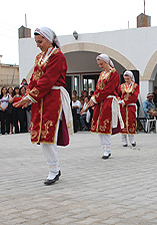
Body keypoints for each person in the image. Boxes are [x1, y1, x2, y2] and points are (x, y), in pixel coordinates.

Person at [13, 27, 73, 185]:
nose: (38, 45)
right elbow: (34, 78)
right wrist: (27, 95)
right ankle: (53, 168)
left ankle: (54, 169)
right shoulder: (40, 57)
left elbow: (48, 78)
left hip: (52, 97)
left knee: (48, 133)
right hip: (40, 98)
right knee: (41, 134)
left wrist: (31, 97)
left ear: (49, 39)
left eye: (40, 41)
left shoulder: (57, 56)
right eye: (36, 42)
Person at [87, 53, 123, 159]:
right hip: (100, 101)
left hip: (108, 101)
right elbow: (98, 88)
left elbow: (109, 89)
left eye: (101, 64)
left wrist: (96, 98)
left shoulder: (114, 73)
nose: (100, 66)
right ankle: (103, 147)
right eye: (99, 64)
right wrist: (93, 98)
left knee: (105, 125)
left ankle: (108, 149)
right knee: (99, 126)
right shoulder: (102, 74)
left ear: (107, 62)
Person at [118, 71, 139, 147]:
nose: (126, 80)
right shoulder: (122, 86)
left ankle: (132, 139)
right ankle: (124, 140)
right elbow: (118, 94)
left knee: (131, 121)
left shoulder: (135, 86)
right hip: (123, 107)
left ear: (131, 78)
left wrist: (124, 101)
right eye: (125, 79)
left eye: (128, 79)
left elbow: (134, 97)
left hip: (130, 106)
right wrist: (119, 100)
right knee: (122, 122)